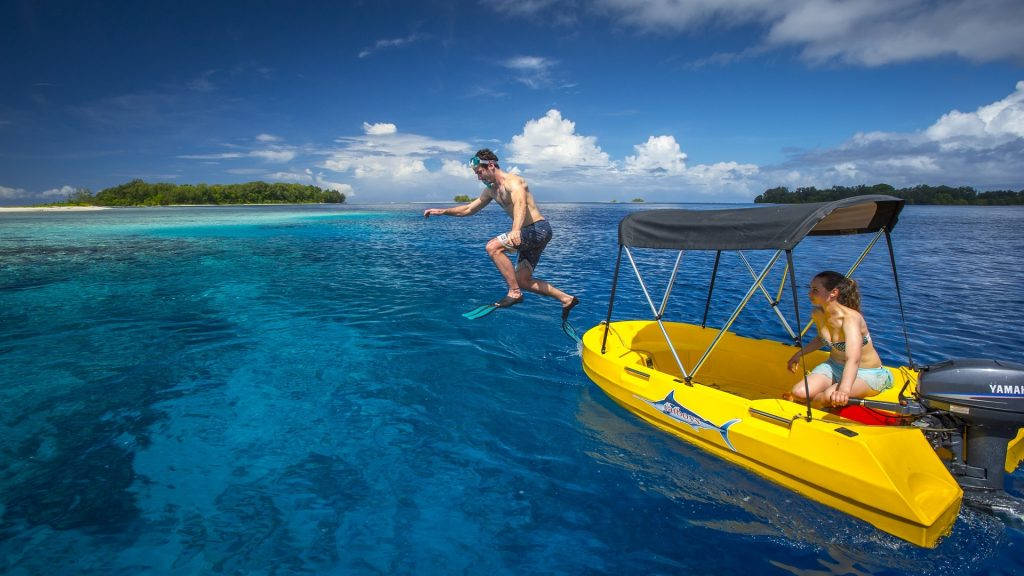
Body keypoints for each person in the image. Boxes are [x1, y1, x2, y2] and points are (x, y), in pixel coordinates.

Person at [423, 148, 579, 321]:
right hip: (530, 233)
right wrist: (442, 211)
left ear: (490, 165)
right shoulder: (491, 190)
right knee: (523, 280)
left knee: (493, 247)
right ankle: (566, 299)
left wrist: (515, 230)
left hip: (538, 229)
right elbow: (468, 209)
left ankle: (514, 293)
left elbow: (520, 204)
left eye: (479, 172)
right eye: (476, 173)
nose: (478, 177)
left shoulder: (513, 181)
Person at [786, 271, 893, 407]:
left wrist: (843, 389)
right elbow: (821, 339)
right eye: (810, 289)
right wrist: (798, 354)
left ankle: (819, 402)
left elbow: (853, 359)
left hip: (866, 372)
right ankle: (814, 400)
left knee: (826, 397)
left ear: (833, 293)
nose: (809, 294)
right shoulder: (818, 314)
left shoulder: (851, 319)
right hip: (834, 366)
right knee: (798, 392)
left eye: (815, 290)